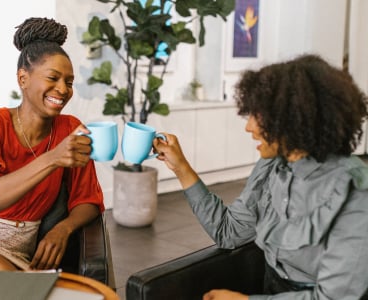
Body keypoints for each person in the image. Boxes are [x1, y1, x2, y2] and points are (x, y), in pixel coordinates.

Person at [153, 54, 368, 299]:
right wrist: (181, 167)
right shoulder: (271, 166)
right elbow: (228, 231)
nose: (249, 127)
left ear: (295, 118)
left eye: (259, 115)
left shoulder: (356, 195)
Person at [0, 17, 104, 271]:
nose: (63, 89)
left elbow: (88, 200)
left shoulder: (70, 129)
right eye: (53, 78)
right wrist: (53, 158)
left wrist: (63, 229)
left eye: (69, 82)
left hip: (20, 252)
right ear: (23, 79)